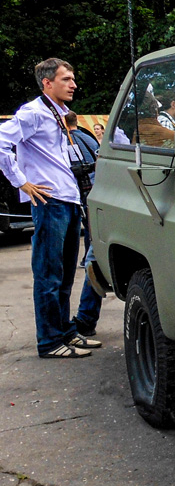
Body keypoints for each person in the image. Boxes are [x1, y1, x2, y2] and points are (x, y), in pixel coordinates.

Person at [0, 58, 102, 358]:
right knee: (48, 274)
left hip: (67, 198)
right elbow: (1, 143)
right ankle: (50, 341)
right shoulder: (33, 113)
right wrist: (22, 182)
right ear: (47, 83)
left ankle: (66, 332)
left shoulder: (58, 113)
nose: (73, 84)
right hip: (50, 201)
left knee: (66, 272)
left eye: (72, 79)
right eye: (66, 79)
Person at [64, 112, 103, 338]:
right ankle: (86, 317)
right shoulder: (87, 138)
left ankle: (87, 318)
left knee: (93, 257)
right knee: (93, 255)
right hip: (95, 200)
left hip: (89, 201)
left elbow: (79, 174)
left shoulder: (71, 141)